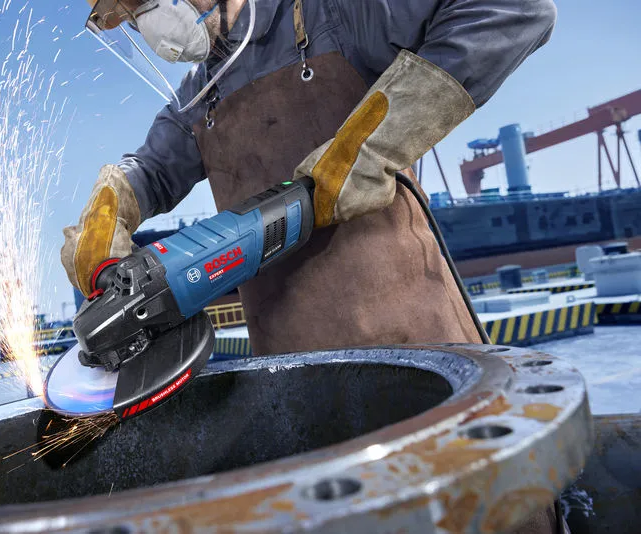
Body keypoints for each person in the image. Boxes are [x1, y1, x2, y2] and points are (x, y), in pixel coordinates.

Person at [63, 1, 561, 531]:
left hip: (422, 362)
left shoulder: (337, 15)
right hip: (295, 396)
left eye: (146, 3)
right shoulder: (198, 96)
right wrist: (112, 204)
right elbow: (148, 169)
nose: (148, 24)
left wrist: (368, 148)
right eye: (134, 15)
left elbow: (518, 10)